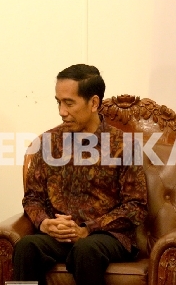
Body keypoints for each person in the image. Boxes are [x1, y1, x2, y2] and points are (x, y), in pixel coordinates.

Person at [13, 64, 148, 285]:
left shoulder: (123, 145)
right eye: (58, 102)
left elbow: (136, 207)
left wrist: (87, 229)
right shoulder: (48, 142)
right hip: (59, 236)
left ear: (93, 103)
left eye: (69, 103)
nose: (61, 111)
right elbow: (32, 198)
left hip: (106, 237)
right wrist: (45, 223)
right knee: (26, 247)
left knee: (87, 249)